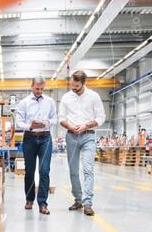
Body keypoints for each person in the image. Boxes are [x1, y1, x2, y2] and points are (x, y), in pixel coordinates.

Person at [59, 70, 106, 216]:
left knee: (88, 169)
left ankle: (87, 203)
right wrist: (70, 126)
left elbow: (101, 117)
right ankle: (78, 199)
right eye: (72, 85)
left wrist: (86, 125)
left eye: (77, 86)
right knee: (73, 171)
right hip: (71, 136)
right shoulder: (66, 97)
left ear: (83, 83)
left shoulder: (94, 96)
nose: (74, 88)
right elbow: (61, 117)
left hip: (88, 136)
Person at [15, 76, 57, 214]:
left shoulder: (50, 101)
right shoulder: (24, 103)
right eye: (37, 88)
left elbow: (54, 118)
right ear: (32, 86)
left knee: (44, 171)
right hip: (29, 138)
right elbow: (18, 122)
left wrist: (46, 123)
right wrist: (30, 126)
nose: (39, 91)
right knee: (29, 171)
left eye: (42, 89)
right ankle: (29, 199)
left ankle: (43, 203)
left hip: (45, 138)